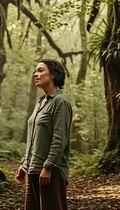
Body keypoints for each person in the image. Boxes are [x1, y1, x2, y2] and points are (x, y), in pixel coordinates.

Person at [15, 59, 73, 210]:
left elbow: (60, 139)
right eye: (35, 71)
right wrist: (24, 164)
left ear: (53, 74)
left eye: (41, 70)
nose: (36, 74)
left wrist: (48, 167)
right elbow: (34, 138)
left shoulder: (60, 102)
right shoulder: (41, 103)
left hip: (50, 174)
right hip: (32, 170)